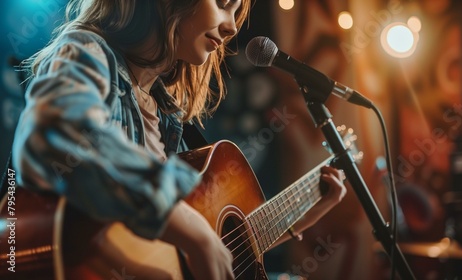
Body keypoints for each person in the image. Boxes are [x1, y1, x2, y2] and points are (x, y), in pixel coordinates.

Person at [12, 0, 347, 279]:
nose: (231, 27)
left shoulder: (168, 115)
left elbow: (209, 247)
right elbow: (56, 133)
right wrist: (188, 227)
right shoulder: (88, 50)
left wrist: (299, 213)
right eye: (223, 4)